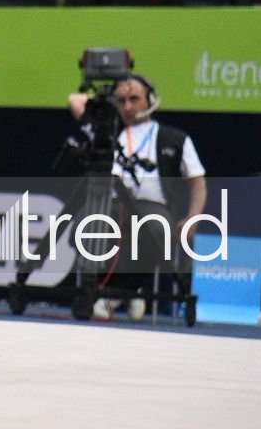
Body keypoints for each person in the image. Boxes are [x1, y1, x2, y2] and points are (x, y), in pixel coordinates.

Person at [65, 72, 207, 320]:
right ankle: (108, 291)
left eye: (135, 99)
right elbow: (74, 100)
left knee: (156, 229)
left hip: (152, 206)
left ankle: (117, 294)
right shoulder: (106, 131)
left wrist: (193, 217)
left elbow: (198, 181)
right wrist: (108, 99)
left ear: (150, 99)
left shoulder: (175, 138)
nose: (128, 107)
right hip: (111, 203)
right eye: (122, 101)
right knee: (84, 224)